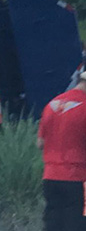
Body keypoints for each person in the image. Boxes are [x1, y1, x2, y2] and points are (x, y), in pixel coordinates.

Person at [38, 70, 86, 231]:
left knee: (53, 224)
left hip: (50, 178)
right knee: (78, 224)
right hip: (79, 179)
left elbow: (40, 143)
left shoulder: (52, 104)